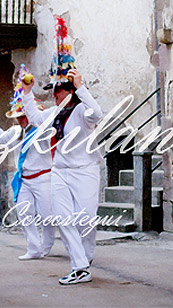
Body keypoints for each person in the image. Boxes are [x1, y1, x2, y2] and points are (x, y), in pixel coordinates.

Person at [22, 68, 103, 285]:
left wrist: (81, 87)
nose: (54, 95)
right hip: (58, 171)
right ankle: (79, 266)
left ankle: (85, 257)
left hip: (85, 170)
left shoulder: (81, 112)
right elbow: (35, 117)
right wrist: (27, 92)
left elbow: (97, 113)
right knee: (63, 217)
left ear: (70, 91)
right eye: (53, 91)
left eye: (57, 90)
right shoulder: (54, 113)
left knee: (85, 219)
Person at [0, 69, 55, 260]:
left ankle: (47, 245)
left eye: (24, 115)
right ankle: (33, 248)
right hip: (23, 179)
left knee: (47, 215)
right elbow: (2, 140)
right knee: (25, 214)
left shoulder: (41, 129)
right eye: (19, 116)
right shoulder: (16, 131)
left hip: (43, 177)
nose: (21, 119)